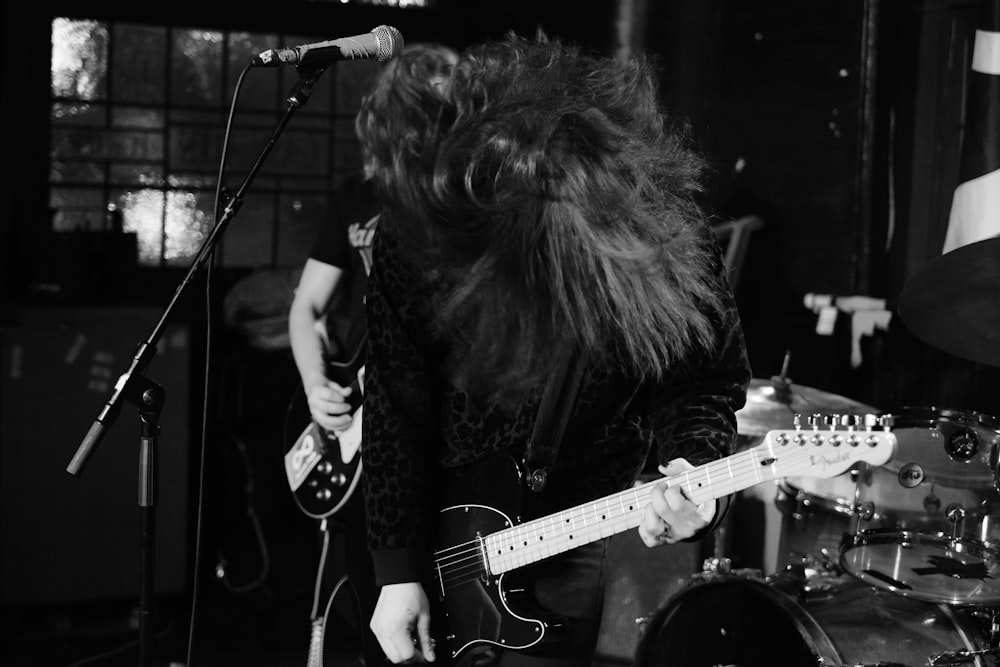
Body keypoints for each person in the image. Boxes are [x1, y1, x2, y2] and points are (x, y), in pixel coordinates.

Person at [360, 33, 751, 666]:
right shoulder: (423, 225)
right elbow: (394, 401)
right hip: (429, 525)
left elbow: (701, 381)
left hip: (579, 523)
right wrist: (396, 567)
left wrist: (694, 473)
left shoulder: (666, 231)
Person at [287, 42, 459, 666]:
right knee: (365, 601)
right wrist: (314, 385)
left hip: (420, 414)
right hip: (356, 415)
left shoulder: (461, 204)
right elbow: (305, 308)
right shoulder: (356, 196)